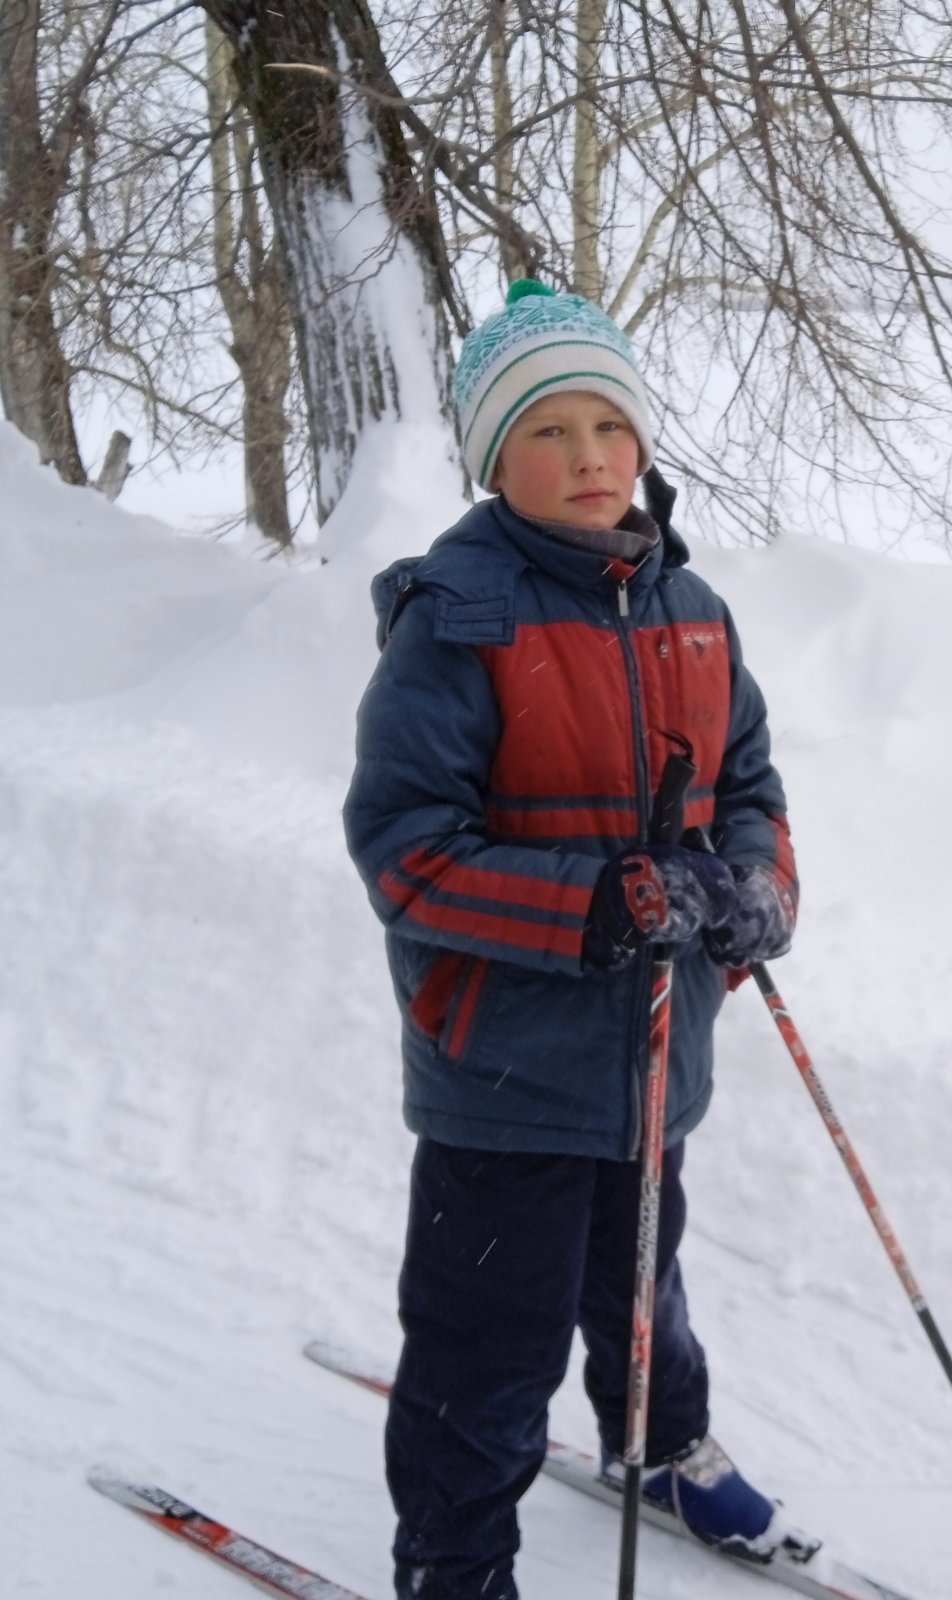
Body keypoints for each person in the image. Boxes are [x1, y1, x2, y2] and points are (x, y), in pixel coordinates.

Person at [342, 280, 805, 1600]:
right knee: (488, 1346)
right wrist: (595, 905)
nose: (591, 455)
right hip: (505, 1073)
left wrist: (754, 887)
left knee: (644, 1278)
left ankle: (660, 1443)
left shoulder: (693, 609)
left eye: (611, 422)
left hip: (660, 1056)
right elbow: (407, 850)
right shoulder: (462, 618)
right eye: (550, 430)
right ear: (497, 459)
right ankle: (454, 1562)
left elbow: (751, 784)